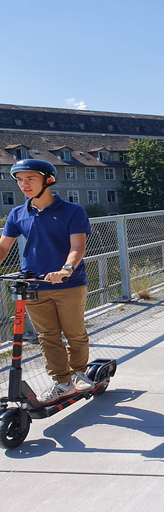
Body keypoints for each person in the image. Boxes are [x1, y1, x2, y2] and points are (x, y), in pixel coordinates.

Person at [0, 159, 93, 405]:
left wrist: (66, 269)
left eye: (30, 179)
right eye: (19, 180)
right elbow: (4, 246)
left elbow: (77, 246)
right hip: (33, 284)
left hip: (68, 284)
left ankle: (80, 373)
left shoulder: (72, 211)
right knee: (47, 336)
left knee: (74, 332)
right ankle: (62, 382)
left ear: (48, 180)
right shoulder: (18, 213)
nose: (24, 185)